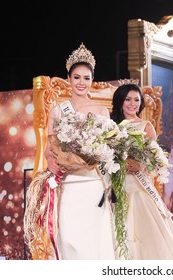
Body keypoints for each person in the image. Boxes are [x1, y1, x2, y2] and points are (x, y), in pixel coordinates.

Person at [24, 43, 116, 260]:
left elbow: (108, 150)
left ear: (92, 80)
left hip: (92, 183)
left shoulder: (102, 111)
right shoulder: (58, 110)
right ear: (69, 79)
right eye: (77, 77)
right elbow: (50, 146)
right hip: (68, 182)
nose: (81, 82)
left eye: (86, 78)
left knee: (92, 241)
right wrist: (51, 159)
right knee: (67, 238)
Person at [110, 82, 173, 260]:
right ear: (120, 101)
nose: (132, 104)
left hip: (139, 186)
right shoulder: (111, 127)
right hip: (117, 185)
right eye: (128, 99)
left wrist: (139, 165)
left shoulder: (146, 126)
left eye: (136, 100)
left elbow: (154, 160)